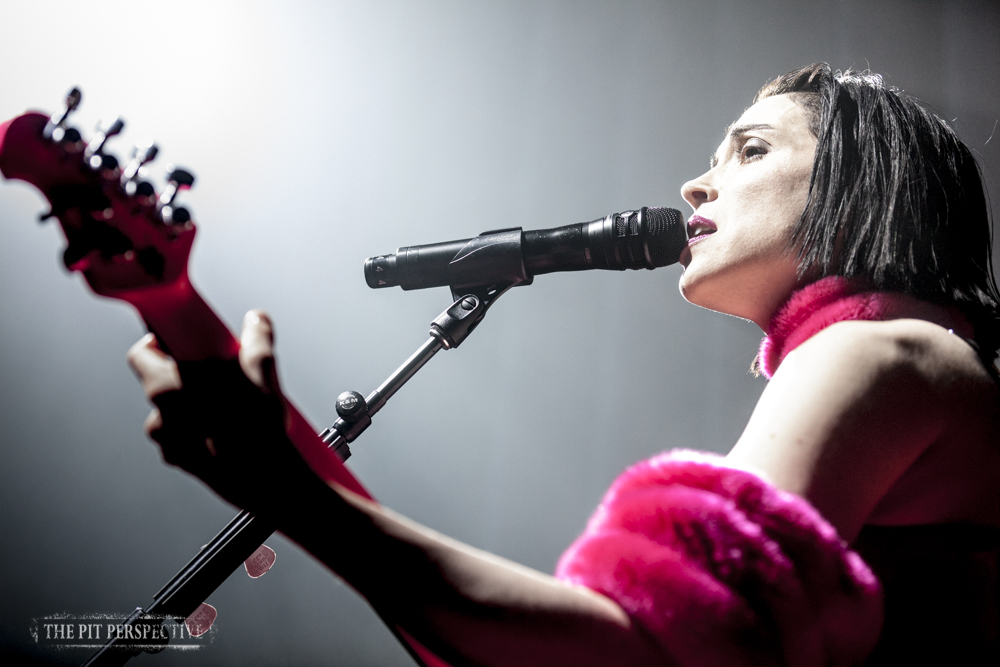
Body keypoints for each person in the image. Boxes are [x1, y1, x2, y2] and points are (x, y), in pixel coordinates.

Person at [126, 63, 1000, 665]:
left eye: (752, 149)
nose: (696, 185)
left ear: (862, 182)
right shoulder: (909, 360)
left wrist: (293, 492)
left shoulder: (880, 350)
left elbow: (644, 652)